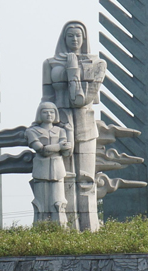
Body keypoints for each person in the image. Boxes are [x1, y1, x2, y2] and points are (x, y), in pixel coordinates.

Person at [42, 21, 106, 231]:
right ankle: (67, 229)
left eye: (79, 35)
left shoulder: (94, 63)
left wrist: (73, 71)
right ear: (64, 38)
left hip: (85, 125)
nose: (75, 40)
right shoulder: (51, 63)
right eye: (70, 36)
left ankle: (90, 229)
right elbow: (47, 98)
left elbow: (84, 99)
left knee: (86, 178)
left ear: (84, 38)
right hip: (60, 126)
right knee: (65, 177)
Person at [25, 102, 70, 226]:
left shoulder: (61, 131)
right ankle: (41, 228)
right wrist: (60, 146)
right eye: (45, 112)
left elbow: (66, 153)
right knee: (41, 203)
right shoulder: (32, 131)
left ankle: (61, 228)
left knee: (59, 202)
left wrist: (67, 143)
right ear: (39, 114)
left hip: (58, 170)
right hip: (41, 171)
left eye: (51, 112)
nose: (49, 114)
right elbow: (41, 149)